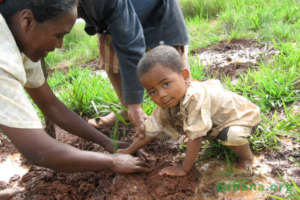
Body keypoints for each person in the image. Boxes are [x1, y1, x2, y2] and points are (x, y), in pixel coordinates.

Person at [0, 0, 149, 179]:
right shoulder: (3, 57)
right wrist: (112, 161)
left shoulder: (21, 40)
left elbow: (51, 106)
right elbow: (38, 150)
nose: (60, 45)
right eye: (58, 35)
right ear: (27, 21)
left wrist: (108, 143)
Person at [117, 45, 261, 177]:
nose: (161, 94)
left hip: (242, 117)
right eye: (152, 91)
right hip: (218, 124)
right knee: (199, 129)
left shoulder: (195, 97)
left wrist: (184, 168)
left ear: (185, 76)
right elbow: (149, 130)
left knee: (232, 136)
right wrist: (128, 150)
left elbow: (195, 138)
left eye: (166, 84)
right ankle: (220, 136)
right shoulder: (168, 101)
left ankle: (247, 158)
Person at [77, 0, 189, 133]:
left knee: (164, 65)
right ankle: (126, 109)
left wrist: (135, 104)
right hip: (111, 20)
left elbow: (130, 46)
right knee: (112, 57)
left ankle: (184, 111)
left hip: (154, 13)